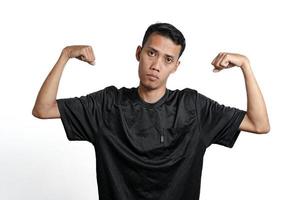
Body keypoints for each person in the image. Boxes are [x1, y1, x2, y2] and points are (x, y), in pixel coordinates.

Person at [32, 22, 270, 200]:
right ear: (139, 53)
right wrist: (65, 56)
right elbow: (43, 109)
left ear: (176, 66)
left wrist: (245, 66)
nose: (156, 66)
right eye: (151, 53)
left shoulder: (193, 107)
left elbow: (259, 124)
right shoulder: (107, 105)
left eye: (168, 59)